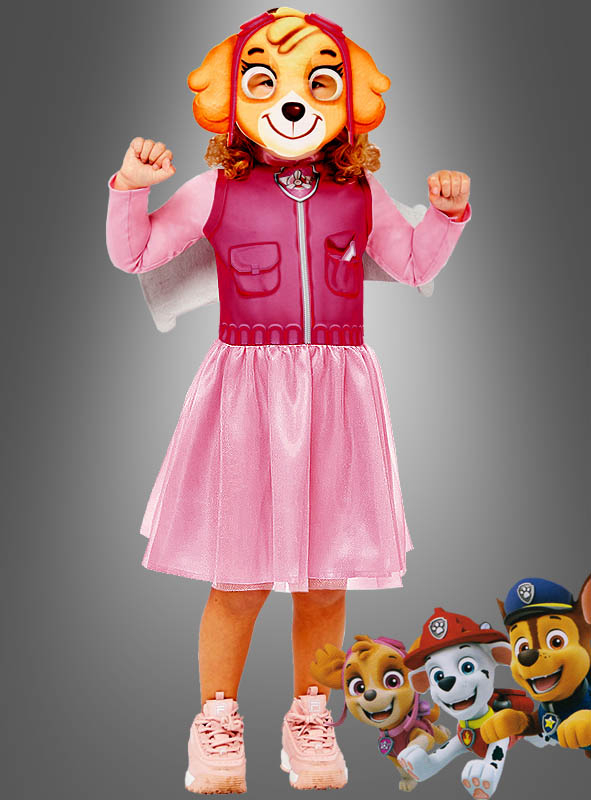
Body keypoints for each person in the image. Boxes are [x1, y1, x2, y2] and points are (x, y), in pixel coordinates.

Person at [106, 8, 471, 793]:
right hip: (247, 393)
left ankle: (311, 716)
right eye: (265, 82)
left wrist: (445, 217)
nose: (293, 101)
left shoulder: (359, 191)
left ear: (349, 100)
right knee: (238, 578)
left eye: (318, 82)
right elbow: (134, 254)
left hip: (337, 396)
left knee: (324, 579)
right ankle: (215, 720)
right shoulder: (215, 189)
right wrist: (130, 190)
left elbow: (411, 265)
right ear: (232, 98)